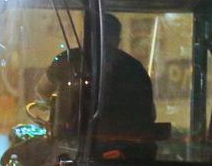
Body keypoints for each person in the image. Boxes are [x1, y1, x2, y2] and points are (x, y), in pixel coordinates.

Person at [36, 12, 156, 153]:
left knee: (19, 154)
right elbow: (150, 114)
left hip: (71, 150)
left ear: (85, 35)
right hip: (128, 153)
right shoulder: (134, 67)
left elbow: (42, 90)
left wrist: (52, 105)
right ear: (117, 39)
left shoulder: (67, 59)